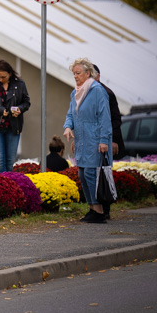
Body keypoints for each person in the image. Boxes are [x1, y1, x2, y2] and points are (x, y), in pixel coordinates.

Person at [63, 58, 112, 224]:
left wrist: (104, 140)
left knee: (92, 174)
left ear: (88, 73)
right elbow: (71, 113)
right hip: (82, 140)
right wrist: (68, 127)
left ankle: (99, 211)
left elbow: (105, 117)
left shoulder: (97, 90)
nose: (75, 76)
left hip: (95, 139)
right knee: (83, 174)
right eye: (74, 74)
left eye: (78, 73)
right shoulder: (75, 92)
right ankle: (92, 208)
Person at [92, 64, 125, 220]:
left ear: (98, 76)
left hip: (106, 139)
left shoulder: (106, 93)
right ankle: (97, 208)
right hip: (94, 140)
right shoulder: (86, 92)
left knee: (103, 173)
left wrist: (114, 141)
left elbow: (115, 119)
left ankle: (105, 209)